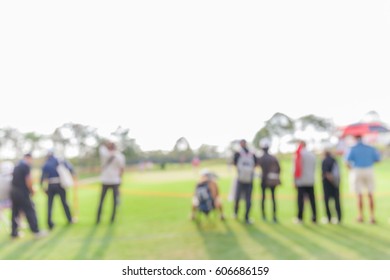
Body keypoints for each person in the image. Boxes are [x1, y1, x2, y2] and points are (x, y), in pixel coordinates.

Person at [346, 135, 380, 224]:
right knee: (370, 194)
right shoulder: (370, 148)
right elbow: (377, 159)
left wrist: (351, 169)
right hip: (369, 170)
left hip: (357, 170)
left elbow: (347, 161)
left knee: (359, 195)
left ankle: (360, 216)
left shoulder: (352, 148)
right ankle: (372, 217)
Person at [11, 153, 46, 238]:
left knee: (15, 213)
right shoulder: (25, 166)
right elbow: (28, 180)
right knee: (30, 210)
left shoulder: (17, 166)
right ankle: (36, 231)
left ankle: (14, 233)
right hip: (22, 193)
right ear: (28, 158)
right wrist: (32, 190)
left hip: (14, 192)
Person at [40, 150, 75, 230]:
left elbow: (42, 177)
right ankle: (69, 219)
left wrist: (43, 187)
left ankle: (49, 223)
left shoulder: (46, 164)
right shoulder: (59, 160)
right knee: (64, 202)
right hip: (60, 185)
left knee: (50, 205)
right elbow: (70, 168)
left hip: (50, 185)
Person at [96, 140, 125, 224]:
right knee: (114, 201)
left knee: (101, 201)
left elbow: (101, 147)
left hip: (105, 180)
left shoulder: (104, 154)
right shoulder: (120, 156)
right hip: (115, 181)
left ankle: (98, 219)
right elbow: (122, 169)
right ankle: (112, 219)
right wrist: (120, 179)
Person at [233, 139, 257, 224]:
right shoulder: (252, 153)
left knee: (238, 197)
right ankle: (246, 217)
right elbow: (256, 164)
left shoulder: (238, 153)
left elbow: (234, 163)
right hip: (249, 180)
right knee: (248, 199)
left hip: (240, 179)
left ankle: (235, 213)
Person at [293, 141, 317, 224]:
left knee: (300, 201)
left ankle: (300, 218)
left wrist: (295, 181)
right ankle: (314, 217)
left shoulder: (298, 155)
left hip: (301, 180)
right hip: (310, 180)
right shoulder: (312, 155)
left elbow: (295, 169)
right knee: (312, 200)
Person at [257, 140, 281, 223]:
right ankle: (274, 216)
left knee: (263, 198)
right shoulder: (273, 158)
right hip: (272, 181)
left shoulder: (261, 158)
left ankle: (264, 216)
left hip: (264, 180)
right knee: (273, 198)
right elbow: (279, 169)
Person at [321, 150, 342, 224]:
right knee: (337, 201)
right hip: (336, 184)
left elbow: (326, 173)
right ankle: (339, 218)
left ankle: (329, 218)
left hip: (327, 184)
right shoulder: (334, 160)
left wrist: (331, 180)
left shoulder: (324, 161)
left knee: (327, 201)